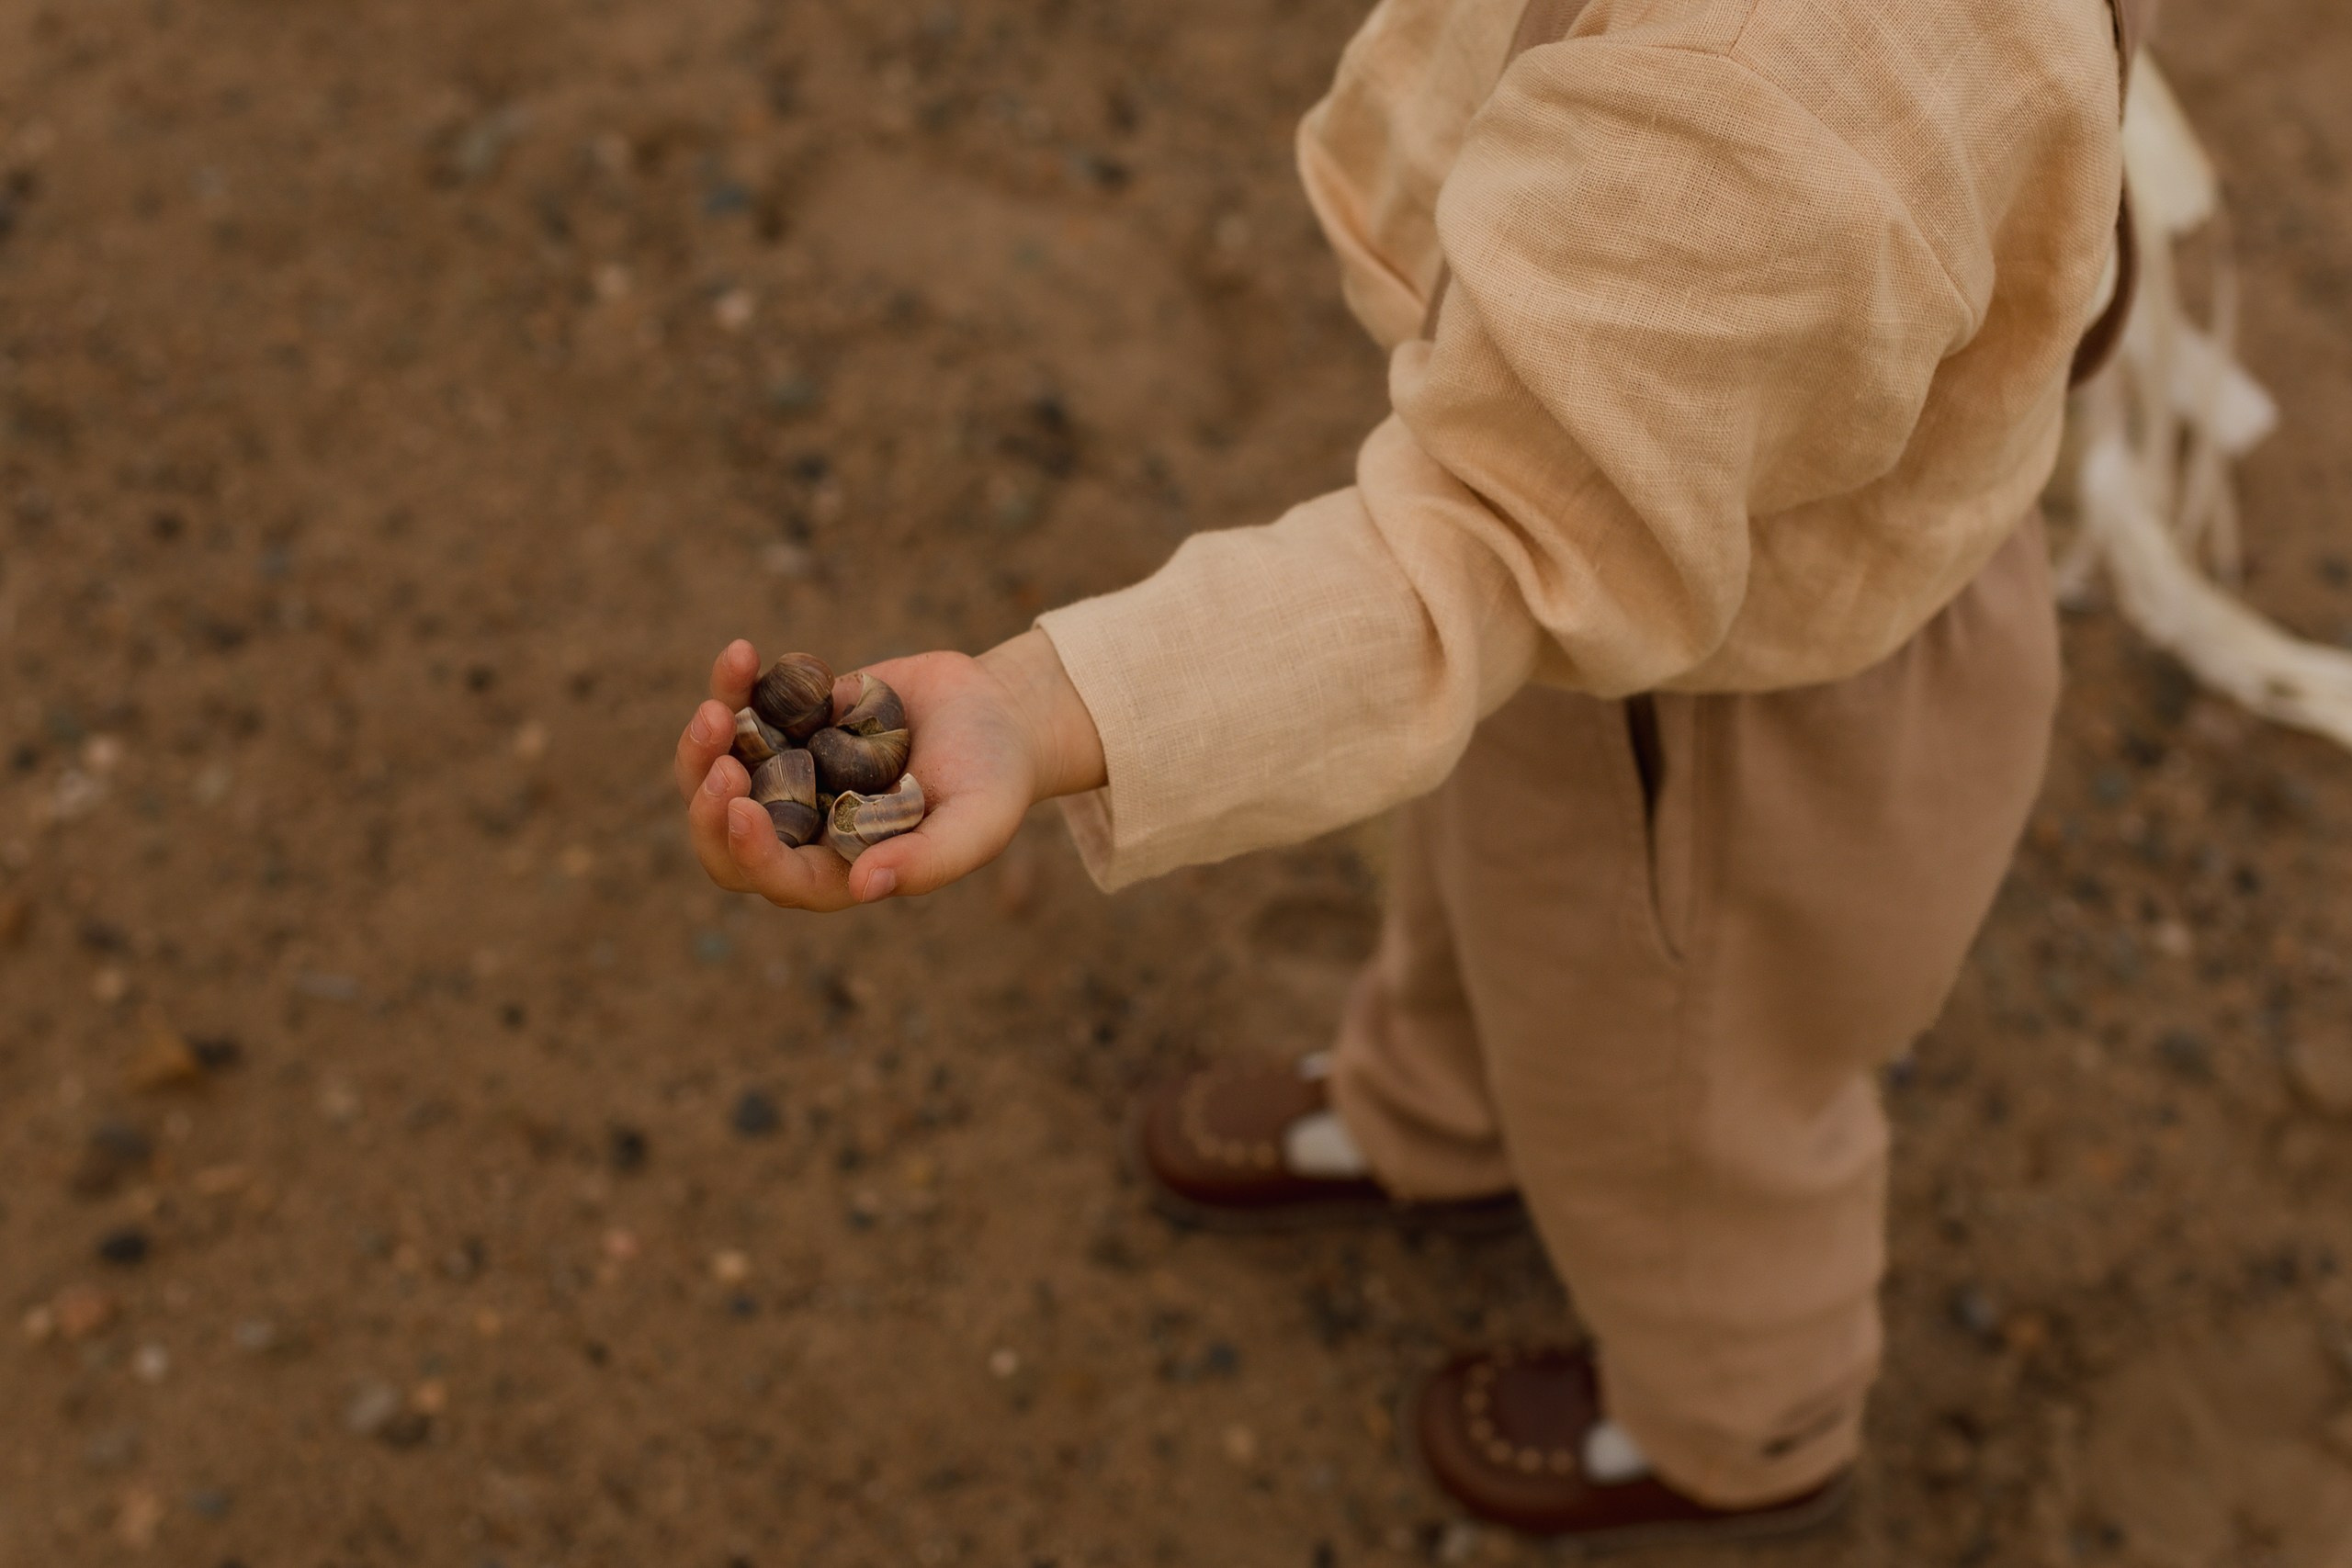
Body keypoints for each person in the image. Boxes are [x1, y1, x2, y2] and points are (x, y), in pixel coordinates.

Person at [673, 0, 2136, 1542]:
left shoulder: (1770, 81)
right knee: (1507, 896)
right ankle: (1444, 1116)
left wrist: (1043, 704)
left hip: (1729, 720)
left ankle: (1737, 1421)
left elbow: (1483, 549)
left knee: (1687, 1104)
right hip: (1633, 507)